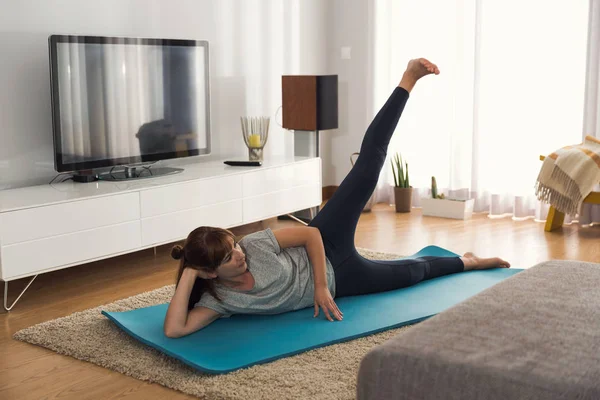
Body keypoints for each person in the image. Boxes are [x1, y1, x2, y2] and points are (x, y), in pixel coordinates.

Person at [163, 58, 511, 338]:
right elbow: (176, 329)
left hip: (325, 244)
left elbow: (311, 234)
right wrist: (191, 274)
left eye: (233, 245)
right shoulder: (221, 299)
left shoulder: (255, 245)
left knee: (368, 167)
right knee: (413, 273)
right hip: (344, 280)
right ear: (210, 273)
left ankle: (408, 79)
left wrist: (318, 287)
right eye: (228, 257)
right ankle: (469, 261)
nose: (239, 254)